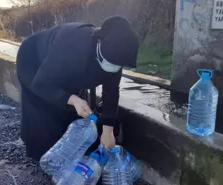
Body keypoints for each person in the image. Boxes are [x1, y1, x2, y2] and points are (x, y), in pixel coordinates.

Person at [16, 16, 139, 161]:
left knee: (67, 116)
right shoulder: (73, 45)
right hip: (34, 62)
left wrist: (108, 130)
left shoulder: (114, 56)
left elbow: (111, 94)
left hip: (64, 68)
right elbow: (41, 84)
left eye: (119, 66)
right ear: (99, 45)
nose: (115, 69)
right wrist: (72, 99)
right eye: (112, 64)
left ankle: (62, 150)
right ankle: (40, 153)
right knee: (42, 112)